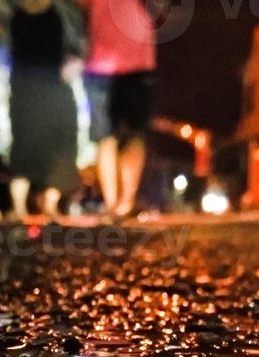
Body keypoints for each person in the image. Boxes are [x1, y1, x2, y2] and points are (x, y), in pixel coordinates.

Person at [7, 0, 85, 221]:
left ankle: (48, 203)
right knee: (25, 144)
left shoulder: (61, 10)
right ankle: (20, 206)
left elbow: (76, 47)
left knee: (59, 145)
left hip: (51, 86)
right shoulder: (15, 12)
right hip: (26, 88)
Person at [80, 0, 156, 219]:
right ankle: (113, 201)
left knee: (135, 133)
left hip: (137, 60)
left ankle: (125, 200)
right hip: (101, 63)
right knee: (106, 135)